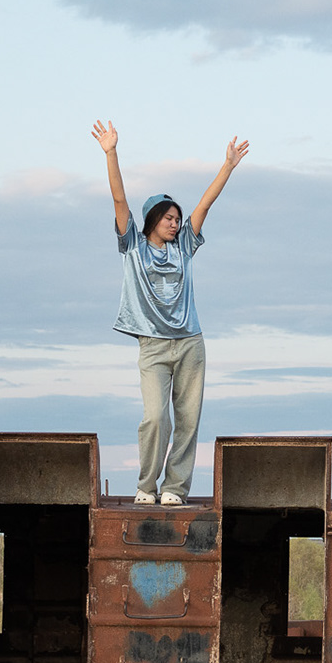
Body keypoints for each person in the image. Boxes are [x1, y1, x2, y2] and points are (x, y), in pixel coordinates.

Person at [91, 118, 249, 506]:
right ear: (152, 220)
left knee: (188, 420)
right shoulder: (133, 246)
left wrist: (227, 166)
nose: (176, 224)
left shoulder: (183, 248)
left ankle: (174, 488)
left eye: (178, 219)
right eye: (169, 218)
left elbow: (205, 204)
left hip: (190, 343)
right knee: (156, 419)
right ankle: (147, 485)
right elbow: (118, 200)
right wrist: (112, 152)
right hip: (154, 346)